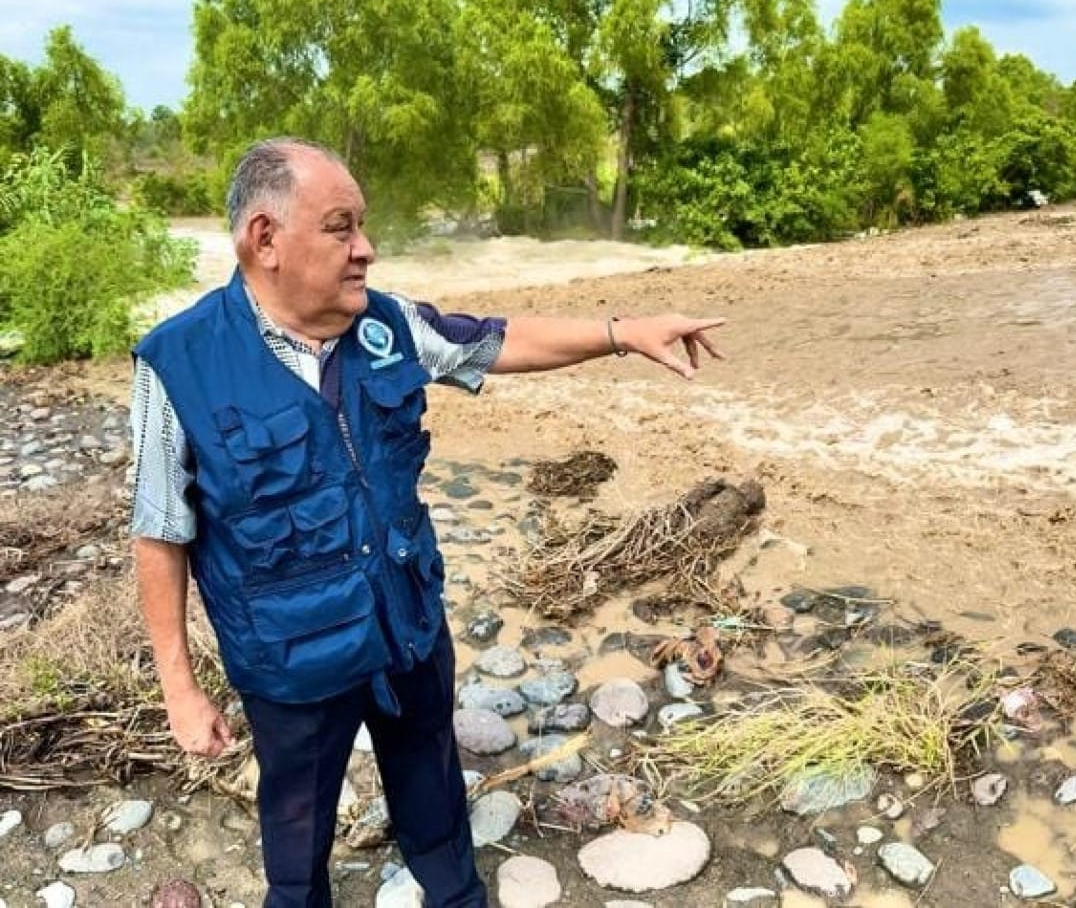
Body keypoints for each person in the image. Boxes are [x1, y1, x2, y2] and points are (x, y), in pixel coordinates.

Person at [129, 137, 726, 907]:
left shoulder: (387, 326)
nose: (366, 250)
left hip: (406, 631)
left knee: (436, 802)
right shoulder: (178, 362)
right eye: (341, 227)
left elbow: (498, 339)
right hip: (291, 668)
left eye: (363, 226)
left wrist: (623, 331)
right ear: (265, 240)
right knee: (296, 843)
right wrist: (180, 689)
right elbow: (159, 531)